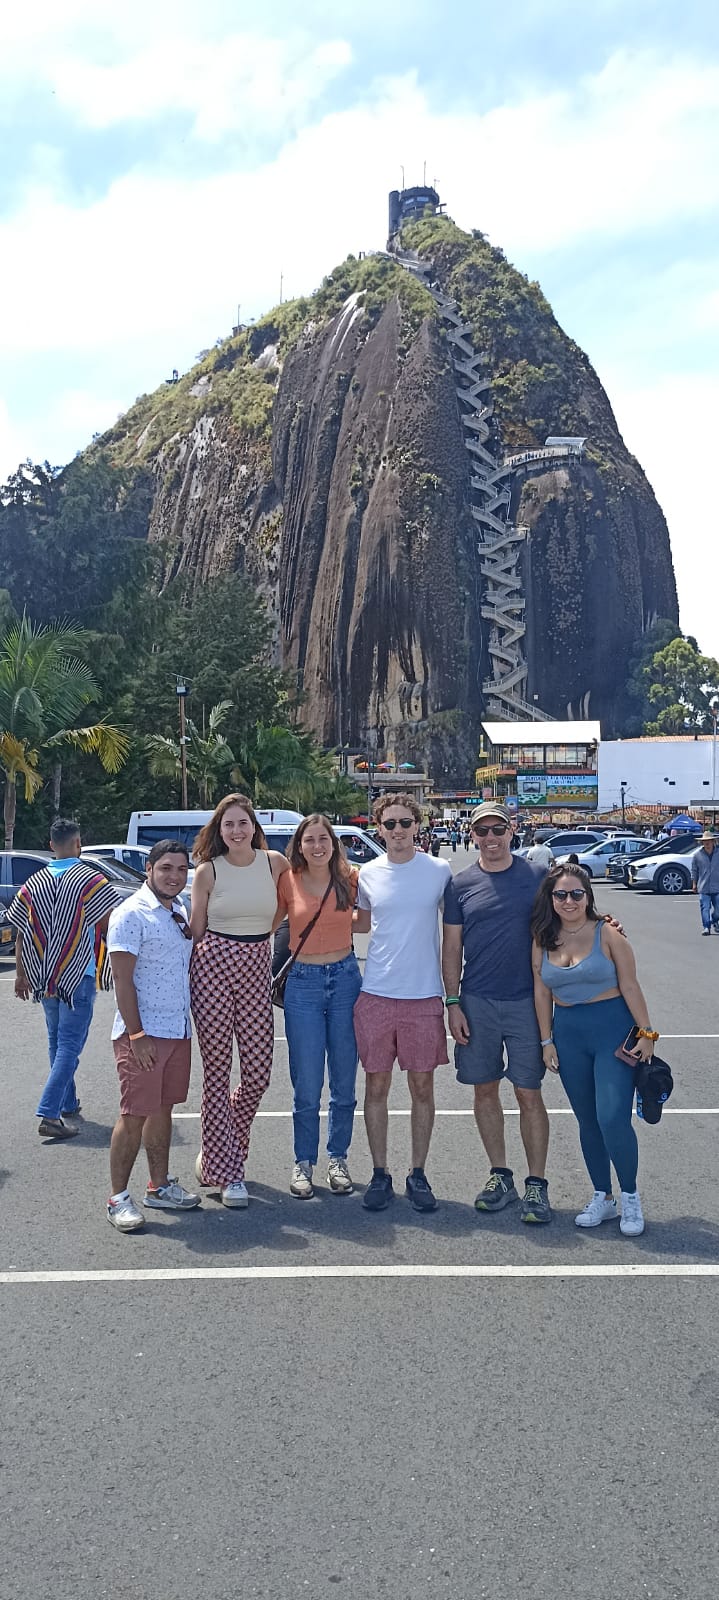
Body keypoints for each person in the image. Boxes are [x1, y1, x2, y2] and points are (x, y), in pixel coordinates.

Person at [531, 863, 656, 1237]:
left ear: (588, 896)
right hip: (568, 1034)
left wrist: (648, 1033)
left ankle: (630, 1196)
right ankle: (603, 1196)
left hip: (612, 1031)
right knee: (587, 1120)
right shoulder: (542, 936)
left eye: (576, 894)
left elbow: (631, 986)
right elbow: (541, 992)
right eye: (560, 894)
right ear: (551, 899)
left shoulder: (609, 934)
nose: (568, 901)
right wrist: (546, 1041)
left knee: (612, 1118)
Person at [442, 802, 551, 1224]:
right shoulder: (460, 885)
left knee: (528, 1092)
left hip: (527, 1002)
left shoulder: (538, 878)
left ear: (512, 831)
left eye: (497, 829)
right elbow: (452, 948)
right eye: (482, 831)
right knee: (484, 1089)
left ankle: (536, 1184)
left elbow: (571, 913)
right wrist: (453, 1003)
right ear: (472, 836)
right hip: (478, 1001)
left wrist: (606, 925)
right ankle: (500, 1175)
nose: (490, 838)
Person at [353, 792, 452, 1212]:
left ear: (418, 825)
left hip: (424, 995)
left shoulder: (440, 872)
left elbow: (461, 928)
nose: (397, 831)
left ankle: (418, 1173)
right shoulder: (366, 875)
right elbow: (353, 922)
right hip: (375, 994)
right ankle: (380, 1173)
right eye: (389, 824)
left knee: (422, 1088)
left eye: (404, 823)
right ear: (378, 829)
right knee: (375, 1087)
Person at [190, 793, 289, 1207]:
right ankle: (230, 1173)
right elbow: (195, 928)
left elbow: (285, 911)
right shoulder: (207, 871)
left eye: (242, 823)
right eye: (228, 824)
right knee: (216, 1072)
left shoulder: (275, 863)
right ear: (219, 829)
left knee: (257, 1075)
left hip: (255, 962)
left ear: (254, 826)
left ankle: (217, 1147)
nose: (235, 831)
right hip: (212, 963)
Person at [107, 840, 201, 1231]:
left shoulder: (178, 909)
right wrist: (137, 1034)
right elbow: (122, 982)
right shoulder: (131, 914)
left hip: (177, 1030)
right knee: (133, 1116)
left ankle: (158, 1187)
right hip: (143, 1035)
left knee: (163, 1110)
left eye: (181, 869)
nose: (174, 876)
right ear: (148, 869)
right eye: (166, 868)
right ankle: (118, 1199)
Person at [8, 816, 118, 1140]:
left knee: (57, 1042)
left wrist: (20, 974)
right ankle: (49, 1112)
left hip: (44, 977)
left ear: (51, 845)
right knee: (70, 1044)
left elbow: (20, 930)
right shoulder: (89, 879)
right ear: (78, 844)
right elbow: (113, 922)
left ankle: (67, 1102)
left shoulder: (35, 882)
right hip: (77, 974)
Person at [274, 815, 361, 1198]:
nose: (317, 846)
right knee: (307, 1083)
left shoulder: (351, 879)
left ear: (333, 843)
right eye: (309, 840)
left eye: (323, 839)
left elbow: (367, 922)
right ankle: (303, 1162)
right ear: (299, 844)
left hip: (345, 980)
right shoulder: (286, 880)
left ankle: (337, 1158)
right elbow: (267, 923)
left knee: (344, 1081)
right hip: (303, 984)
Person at [691, 831, 719, 935]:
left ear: (713, 842)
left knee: (718, 910)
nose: (707, 843)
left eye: (709, 841)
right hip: (703, 886)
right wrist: (694, 884)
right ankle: (706, 927)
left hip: (717, 886)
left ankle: (714, 920)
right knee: (705, 908)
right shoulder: (697, 855)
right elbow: (694, 870)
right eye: (704, 841)